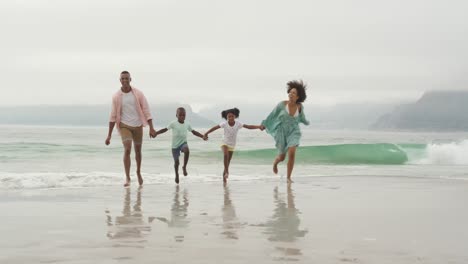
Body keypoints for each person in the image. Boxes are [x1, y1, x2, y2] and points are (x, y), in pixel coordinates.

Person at [105, 71, 156, 187]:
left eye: (126, 78)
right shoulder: (116, 97)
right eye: (122, 79)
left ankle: (138, 171)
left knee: (138, 151)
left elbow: (146, 110)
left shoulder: (138, 94)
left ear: (130, 79)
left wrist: (151, 128)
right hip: (124, 125)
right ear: (120, 80)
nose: (125, 81)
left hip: (138, 125)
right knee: (127, 148)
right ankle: (127, 177)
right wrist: (109, 135)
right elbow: (113, 116)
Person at [261, 80, 309, 183]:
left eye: (294, 93)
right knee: (282, 157)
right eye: (290, 92)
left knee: (292, 152)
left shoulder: (299, 107)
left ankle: (288, 178)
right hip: (281, 132)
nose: (290, 94)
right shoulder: (282, 105)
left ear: (298, 97)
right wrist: (264, 124)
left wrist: (306, 122)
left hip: (294, 132)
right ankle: (275, 163)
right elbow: (272, 115)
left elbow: (302, 117)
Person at [203, 108, 264, 182]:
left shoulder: (238, 124)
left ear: (235, 116)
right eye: (229, 117)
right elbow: (215, 128)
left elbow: (248, 126)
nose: (231, 118)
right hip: (224, 143)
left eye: (232, 116)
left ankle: (224, 182)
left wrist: (259, 127)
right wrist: (206, 133)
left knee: (227, 163)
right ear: (227, 117)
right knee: (225, 155)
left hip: (232, 145)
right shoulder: (224, 124)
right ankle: (227, 171)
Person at [153, 107, 206, 184]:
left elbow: (194, 132)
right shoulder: (173, 123)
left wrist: (202, 136)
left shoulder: (187, 124)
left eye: (183, 115)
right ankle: (177, 174)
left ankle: (184, 167)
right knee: (176, 163)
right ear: (176, 115)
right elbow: (165, 129)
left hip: (183, 143)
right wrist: (156, 133)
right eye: (180, 115)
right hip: (175, 147)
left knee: (187, 150)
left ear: (185, 116)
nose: (182, 117)